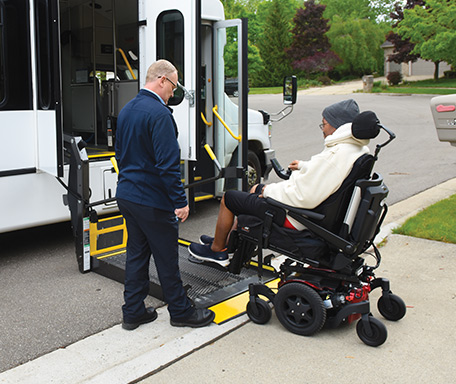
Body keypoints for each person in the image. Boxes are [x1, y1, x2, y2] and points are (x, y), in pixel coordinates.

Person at [189, 99, 371, 267]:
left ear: (336, 126)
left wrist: (268, 191)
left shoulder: (334, 155)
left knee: (229, 198)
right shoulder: (355, 150)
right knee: (254, 189)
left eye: (323, 124)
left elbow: (303, 196)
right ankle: (227, 242)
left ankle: (217, 251)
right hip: (314, 214)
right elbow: (325, 175)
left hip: (297, 217)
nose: (322, 129)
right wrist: (304, 166)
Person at [115, 59, 215, 330]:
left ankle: (133, 311)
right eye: (174, 85)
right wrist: (180, 202)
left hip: (128, 194)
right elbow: (167, 165)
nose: (174, 92)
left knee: (136, 254)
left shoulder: (127, 110)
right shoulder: (159, 115)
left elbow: (121, 154)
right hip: (152, 200)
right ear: (161, 80)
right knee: (167, 256)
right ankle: (181, 311)